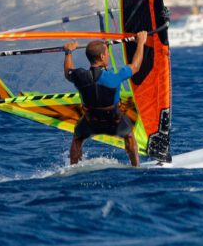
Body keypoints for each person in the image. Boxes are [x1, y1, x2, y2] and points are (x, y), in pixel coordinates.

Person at [63, 30, 147, 167]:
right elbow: (136, 66)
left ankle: (73, 168)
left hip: (90, 124)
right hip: (115, 124)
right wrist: (141, 43)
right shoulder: (115, 77)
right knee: (129, 135)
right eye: (107, 53)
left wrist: (68, 52)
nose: (108, 55)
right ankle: (136, 166)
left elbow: (67, 72)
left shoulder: (79, 76)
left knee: (78, 138)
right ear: (102, 56)